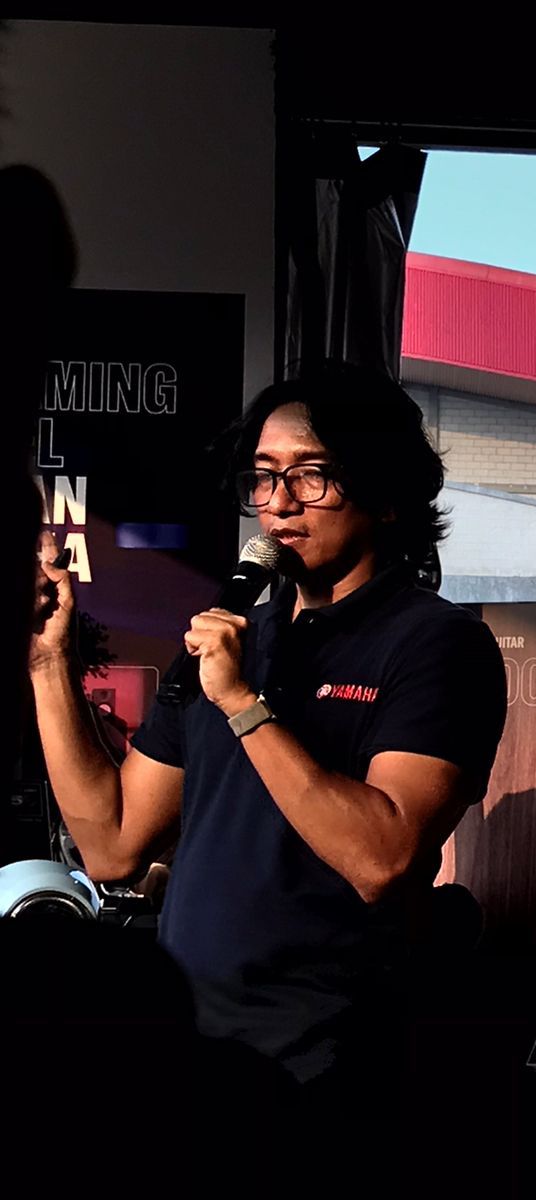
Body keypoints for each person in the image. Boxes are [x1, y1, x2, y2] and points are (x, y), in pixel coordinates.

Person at [27, 362, 507, 1111]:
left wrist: (246, 705)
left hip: (326, 1064)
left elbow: (383, 857)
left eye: (312, 475)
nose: (279, 503)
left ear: (384, 493)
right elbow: (114, 844)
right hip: (194, 1047)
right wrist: (47, 659)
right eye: (263, 477)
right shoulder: (237, 636)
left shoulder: (435, 644)